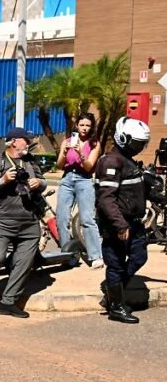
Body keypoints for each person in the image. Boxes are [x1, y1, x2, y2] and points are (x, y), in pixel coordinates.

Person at [0, 127, 47, 319]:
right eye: (26, 139)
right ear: (14, 141)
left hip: (29, 221)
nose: (29, 143)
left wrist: (38, 183)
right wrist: (3, 180)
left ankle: (8, 302)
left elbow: (44, 182)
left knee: (24, 263)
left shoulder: (31, 162)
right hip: (1, 221)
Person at [95, 117, 151, 324]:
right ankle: (116, 306)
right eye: (136, 143)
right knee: (115, 264)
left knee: (139, 257)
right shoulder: (111, 161)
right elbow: (106, 198)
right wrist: (120, 224)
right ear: (123, 138)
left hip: (133, 222)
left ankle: (113, 292)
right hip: (117, 224)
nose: (139, 148)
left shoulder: (128, 161)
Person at [55, 113, 103, 268]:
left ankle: (96, 256)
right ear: (77, 125)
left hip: (84, 180)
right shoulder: (67, 142)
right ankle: (67, 255)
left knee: (87, 218)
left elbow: (89, 166)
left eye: (88, 125)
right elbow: (59, 165)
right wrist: (64, 152)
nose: (84, 128)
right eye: (82, 125)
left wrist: (81, 153)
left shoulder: (95, 144)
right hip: (67, 179)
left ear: (92, 127)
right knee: (62, 218)